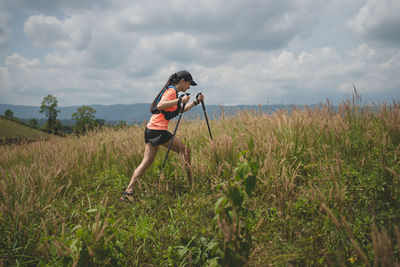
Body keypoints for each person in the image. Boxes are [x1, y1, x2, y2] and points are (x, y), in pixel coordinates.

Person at [121, 70, 204, 201]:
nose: (189, 87)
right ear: (182, 81)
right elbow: (160, 105)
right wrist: (179, 100)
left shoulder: (172, 92)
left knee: (146, 162)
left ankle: (128, 192)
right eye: (188, 83)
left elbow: (179, 109)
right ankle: (191, 184)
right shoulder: (171, 92)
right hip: (158, 130)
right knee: (185, 151)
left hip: (151, 130)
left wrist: (195, 102)